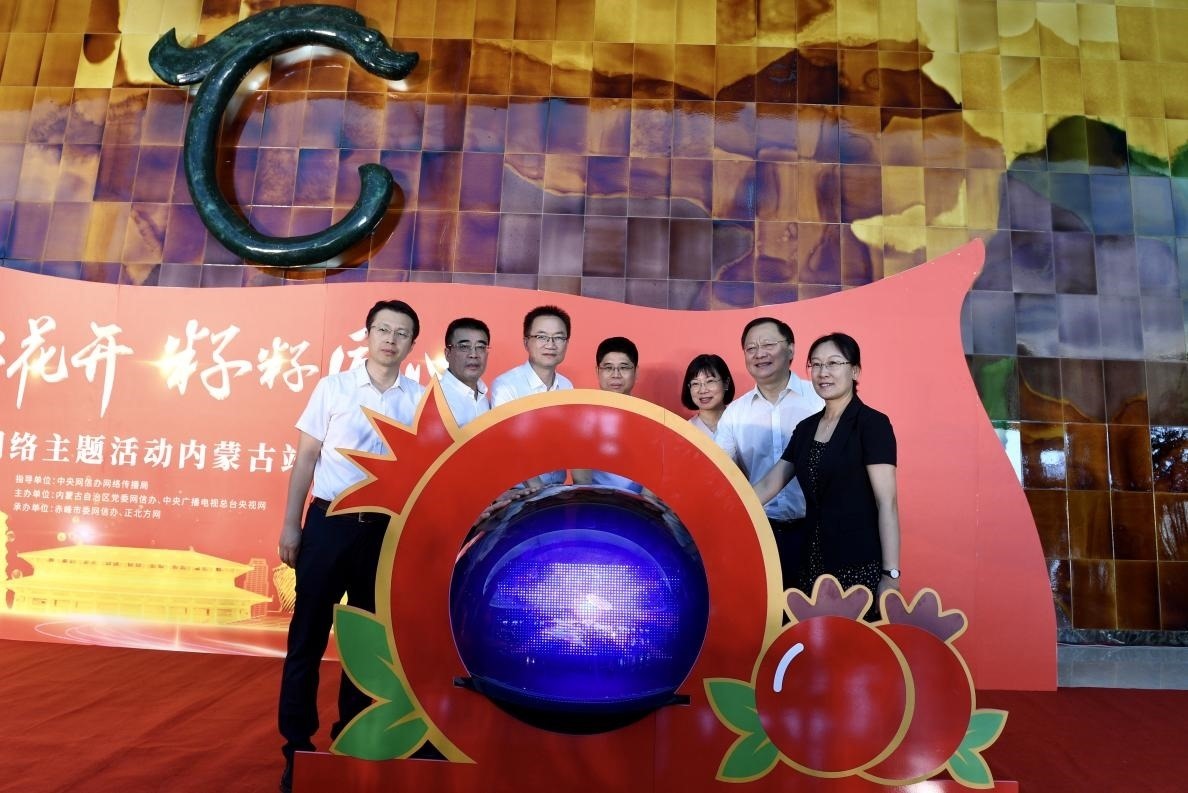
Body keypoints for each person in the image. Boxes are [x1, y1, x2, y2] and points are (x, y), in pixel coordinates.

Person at [276, 300, 425, 793]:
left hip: (382, 532)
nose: (391, 339)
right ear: (367, 334)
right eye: (383, 329)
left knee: (366, 644)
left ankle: (352, 741)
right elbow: (305, 459)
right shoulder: (333, 387)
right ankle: (297, 747)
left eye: (401, 333)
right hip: (328, 523)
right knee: (307, 636)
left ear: (411, 344)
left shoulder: (418, 399)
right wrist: (291, 526)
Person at [752, 332, 901, 616]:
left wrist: (890, 575)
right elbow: (771, 483)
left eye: (833, 363)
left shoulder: (872, 425)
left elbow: (887, 503)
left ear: (854, 371)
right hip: (810, 561)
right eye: (816, 364)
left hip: (858, 564)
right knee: (811, 639)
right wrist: (728, 508)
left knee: (852, 641)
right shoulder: (806, 428)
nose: (823, 372)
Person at [715, 317, 823, 591]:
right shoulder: (736, 413)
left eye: (768, 345)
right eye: (751, 348)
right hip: (761, 531)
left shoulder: (820, 399)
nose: (759, 353)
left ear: (791, 349)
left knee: (818, 609)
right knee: (767, 607)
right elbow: (719, 473)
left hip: (818, 529)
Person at [489, 305, 573, 488]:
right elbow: (509, 446)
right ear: (526, 342)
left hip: (557, 489)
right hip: (519, 493)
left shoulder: (567, 386)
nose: (550, 345)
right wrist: (538, 492)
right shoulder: (506, 386)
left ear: (567, 343)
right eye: (541, 337)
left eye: (559, 337)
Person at [574, 336, 646, 494]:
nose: (616, 375)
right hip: (596, 501)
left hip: (639, 503)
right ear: (597, 371)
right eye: (608, 368)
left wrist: (643, 504)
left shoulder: (650, 418)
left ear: (636, 372)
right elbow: (581, 478)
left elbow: (655, 475)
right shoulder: (583, 418)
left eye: (624, 368)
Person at [439, 317, 490, 427]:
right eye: (464, 347)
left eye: (480, 347)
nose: (473, 354)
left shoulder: (486, 397)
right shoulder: (436, 399)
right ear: (448, 354)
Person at [680, 353, 735, 438]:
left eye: (710, 381)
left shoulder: (743, 423)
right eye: (695, 383)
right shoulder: (685, 432)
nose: (703, 390)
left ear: (726, 383)